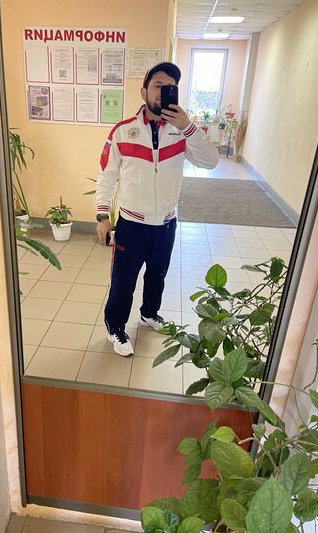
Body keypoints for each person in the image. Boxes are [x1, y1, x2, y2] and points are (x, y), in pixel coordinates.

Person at [95, 61, 219, 357]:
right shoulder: (123, 132)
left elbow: (210, 161)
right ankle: (116, 328)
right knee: (123, 281)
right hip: (131, 224)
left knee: (157, 275)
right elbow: (106, 175)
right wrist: (102, 215)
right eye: (157, 85)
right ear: (144, 92)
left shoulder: (182, 132)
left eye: (170, 87)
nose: (163, 92)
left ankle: (149, 314)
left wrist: (187, 127)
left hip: (165, 224)